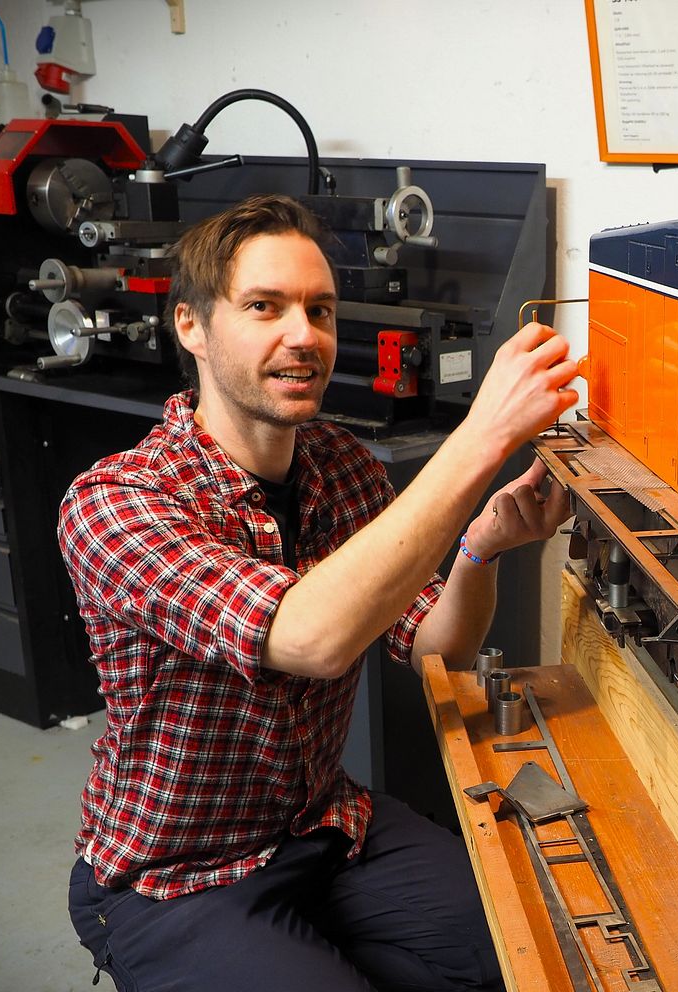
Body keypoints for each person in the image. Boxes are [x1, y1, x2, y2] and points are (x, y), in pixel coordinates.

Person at [59, 193, 579, 992]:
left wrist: (481, 546)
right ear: (191, 326)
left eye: (320, 310)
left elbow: (436, 648)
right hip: (176, 878)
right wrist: (484, 435)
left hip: (324, 825)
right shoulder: (118, 504)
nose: (303, 335)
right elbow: (310, 637)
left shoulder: (343, 467)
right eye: (263, 307)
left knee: (532, 947)